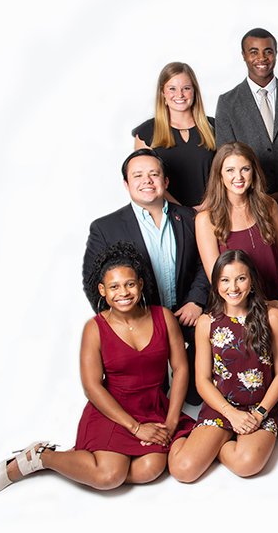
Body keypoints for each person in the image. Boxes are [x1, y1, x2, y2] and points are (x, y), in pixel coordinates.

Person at [0, 242, 194, 495]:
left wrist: (172, 420)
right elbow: (92, 386)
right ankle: (41, 457)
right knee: (110, 476)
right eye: (114, 287)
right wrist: (135, 428)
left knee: (151, 468)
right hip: (111, 409)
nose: (123, 292)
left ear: (141, 284)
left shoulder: (163, 317)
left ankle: (90, 462)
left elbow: (181, 369)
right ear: (102, 290)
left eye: (130, 284)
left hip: (153, 406)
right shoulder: (94, 328)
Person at [83, 148, 209, 404]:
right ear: (126, 183)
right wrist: (125, 323)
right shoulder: (105, 228)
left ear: (165, 181)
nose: (147, 181)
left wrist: (196, 301)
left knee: (195, 398)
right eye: (138, 175)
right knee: (150, 399)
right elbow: (93, 281)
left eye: (154, 174)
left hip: (186, 317)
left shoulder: (188, 217)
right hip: (140, 325)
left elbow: (204, 264)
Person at [168, 250, 278, 482]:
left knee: (247, 465)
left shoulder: (271, 316)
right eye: (225, 280)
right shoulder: (207, 322)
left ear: (251, 280)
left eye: (240, 279)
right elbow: (202, 380)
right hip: (221, 407)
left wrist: (261, 413)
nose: (233, 287)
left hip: (260, 408)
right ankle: (192, 438)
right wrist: (230, 414)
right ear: (216, 284)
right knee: (183, 471)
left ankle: (217, 447)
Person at [214, 28, 278, 219]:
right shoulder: (227, 103)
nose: (262, 57)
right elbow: (226, 156)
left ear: (276, 54)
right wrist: (258, 196)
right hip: (248, 204)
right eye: (254, 52)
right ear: (243, 56)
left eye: (268, 51)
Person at [196, 142, 278, 314]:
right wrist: (268, 305)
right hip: (239, 306)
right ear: (219, 174)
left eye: (245, 169)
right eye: (230, 170)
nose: (238, 177)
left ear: (254, 172)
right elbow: (218, 280)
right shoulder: (206, 219)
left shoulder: (269, 206)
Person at [132, 61, 216, 209]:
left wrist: (205, 207)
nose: (180, 95)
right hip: (167, 215)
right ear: (162, 92)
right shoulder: (147, 133)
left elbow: (227, 172)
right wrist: (182, 212)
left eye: (186, 88)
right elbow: (145, 180)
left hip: (212, 212)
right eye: (172, 88)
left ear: (194, 91)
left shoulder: (215, 128)